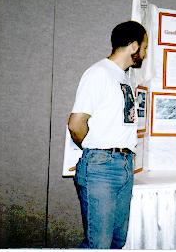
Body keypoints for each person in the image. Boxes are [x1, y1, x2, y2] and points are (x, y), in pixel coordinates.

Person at [68, 21, 148, 249]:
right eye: (144, 47)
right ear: (133, 46)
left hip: (123, 165)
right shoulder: (98, 73)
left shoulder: (122, 77)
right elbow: (76, 124)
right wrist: (94, 150)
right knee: (99, 244)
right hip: (101, 167)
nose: (144, 53)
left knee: (116, 242)